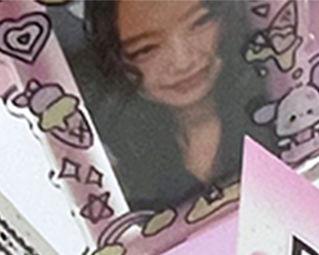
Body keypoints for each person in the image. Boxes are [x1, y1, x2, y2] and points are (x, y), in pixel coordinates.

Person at [80, 0, 265, 212]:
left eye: (199, 23)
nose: (182, 61)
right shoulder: (113, 172)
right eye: (146, 49)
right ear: (116, 61)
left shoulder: (280, 114)